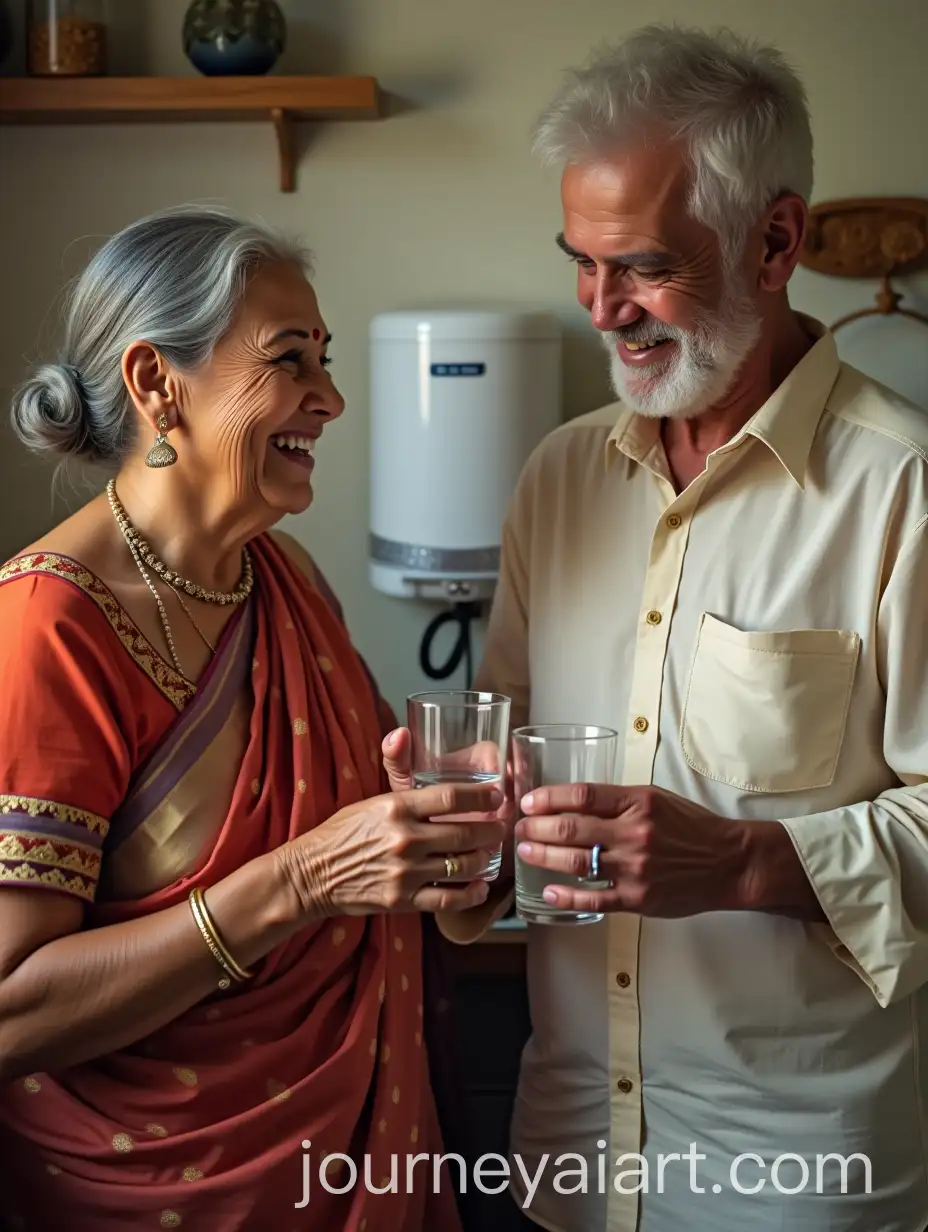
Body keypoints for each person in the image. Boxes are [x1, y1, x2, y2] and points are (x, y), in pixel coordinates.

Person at [384, 23, 928, 1232]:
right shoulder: (558, 478)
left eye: (639, 266)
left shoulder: (907, 488)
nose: (598, 308)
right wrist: (462, 808)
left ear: (776, 239)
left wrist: (742, 860)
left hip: (794, 1181)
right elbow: (508, 782)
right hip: (565, 1165)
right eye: (579, 261)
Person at [0, 204, 506, 1232]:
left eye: (323, 359)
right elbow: (12, 1009)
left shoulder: (281, 575)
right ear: (155, 384)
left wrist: (446, 839)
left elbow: (377, 857)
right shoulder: (46, 626)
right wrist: (302, 878)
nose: (331, 397)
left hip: (349, 1155)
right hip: (148, 1186)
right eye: (289, 360)